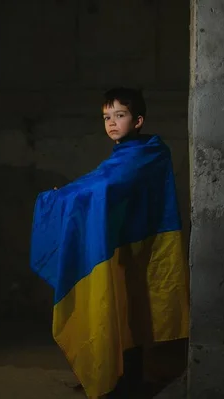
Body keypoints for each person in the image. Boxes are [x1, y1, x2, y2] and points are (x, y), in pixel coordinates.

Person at [30, 87, 190, 398]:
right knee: (117, 310)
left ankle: (126, 385)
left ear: (139, 120)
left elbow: (105, 186)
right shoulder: (123, 156)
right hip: (118, 248)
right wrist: (64, 197)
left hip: (141, 248)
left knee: (132, 314)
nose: (112, 123)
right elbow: (102, 185)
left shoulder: (148, 153)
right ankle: (112, 378)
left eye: (120, 115)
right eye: (107, 117)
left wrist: (64, 197)